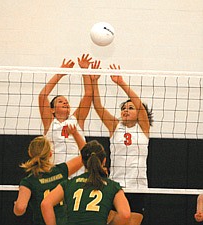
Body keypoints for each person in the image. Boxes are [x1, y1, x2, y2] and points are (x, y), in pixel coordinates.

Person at [91, 64, 153, 225]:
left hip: (138, 186)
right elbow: (98, 106)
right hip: (116, 185)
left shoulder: (143, 129)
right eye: (123, 108)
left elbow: (139, 105)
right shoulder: (115, 127)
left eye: (130, 108)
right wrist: (94, 82)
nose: (125, 110)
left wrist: (121, 82)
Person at [41, 140, 131, 225]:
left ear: (82, 162)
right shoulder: (113, 186)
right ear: (104, 160)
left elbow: (46, 204)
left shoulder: (68, 183)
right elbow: (125, 214)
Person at [39, 54, 100, 176]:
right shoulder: (50, 122)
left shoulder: (76, 119)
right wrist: (60, 73)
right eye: (60, 101)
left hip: (78, 173)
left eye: (66, 101)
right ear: (52, 110)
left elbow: (88, 94)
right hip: (55, 174)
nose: (65, 102)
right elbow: (42, 96)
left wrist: (85, 71)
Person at [13, 125, 86, 225]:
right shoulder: (61, 170)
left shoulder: (28, 182)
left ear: (30, 153)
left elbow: (20, 208)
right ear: (50, 154)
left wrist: (16, 207)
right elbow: (86, 155)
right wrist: (75, 133)